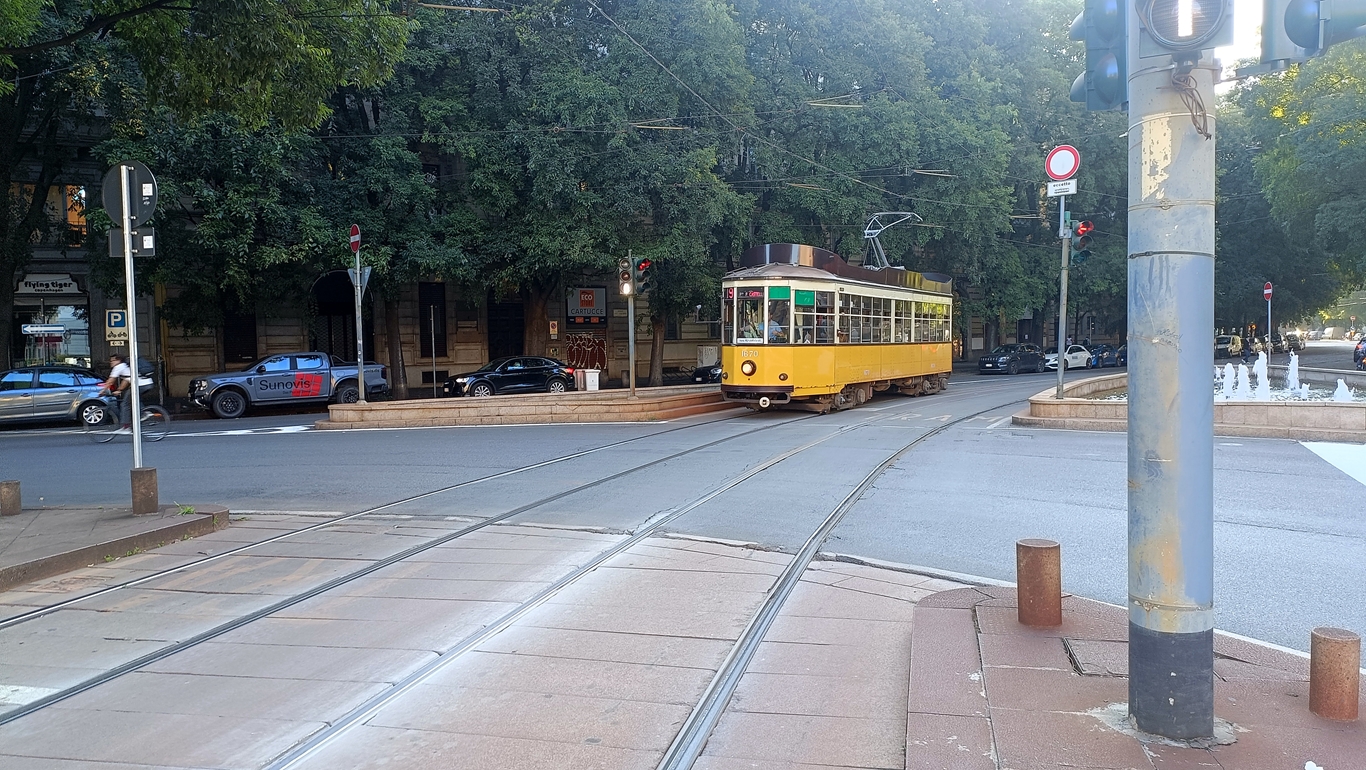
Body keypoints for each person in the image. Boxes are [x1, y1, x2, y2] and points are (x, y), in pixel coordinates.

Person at [102, 353, 133, 433]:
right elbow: (126, 380)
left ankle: (126, 427)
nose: (111, 362)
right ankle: (143, 413)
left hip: (140, 385)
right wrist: (119, 390)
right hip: (143, 384)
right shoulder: (124, 366)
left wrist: (102, 391)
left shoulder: (118, 367)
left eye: (113, 360)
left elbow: (111, 381)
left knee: (125, 405)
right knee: (130, 402)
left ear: (119, 360)